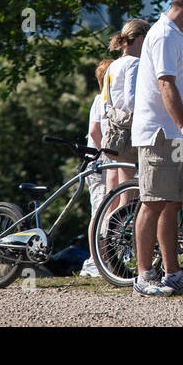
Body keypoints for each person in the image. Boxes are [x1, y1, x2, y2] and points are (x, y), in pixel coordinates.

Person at [130, 0, 183, 296]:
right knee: (152, 202)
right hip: (161, 133)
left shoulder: (180, 34)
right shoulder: (164, 34)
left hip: (178, 136)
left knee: (173, 203)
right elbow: (166, 84)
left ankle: (173, 273)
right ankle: (143, 276)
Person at [99, 18, 149, 223]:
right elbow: (131, 100)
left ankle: (105, 234)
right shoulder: (135, 64)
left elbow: (106, 99)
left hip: (115, 133)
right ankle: (112, 234)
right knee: (128, 199)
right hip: (131, 133)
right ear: (140, 39)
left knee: (122, 193)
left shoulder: (113, 66)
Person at [80, 58, 113, 279]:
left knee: (110, 210)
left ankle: (107, 257)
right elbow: (94, 132)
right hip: (100, 163)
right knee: (99, 210)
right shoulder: (101, 100)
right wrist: (106, 155)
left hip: (107, 163)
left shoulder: (105, 100)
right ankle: (94, 260)